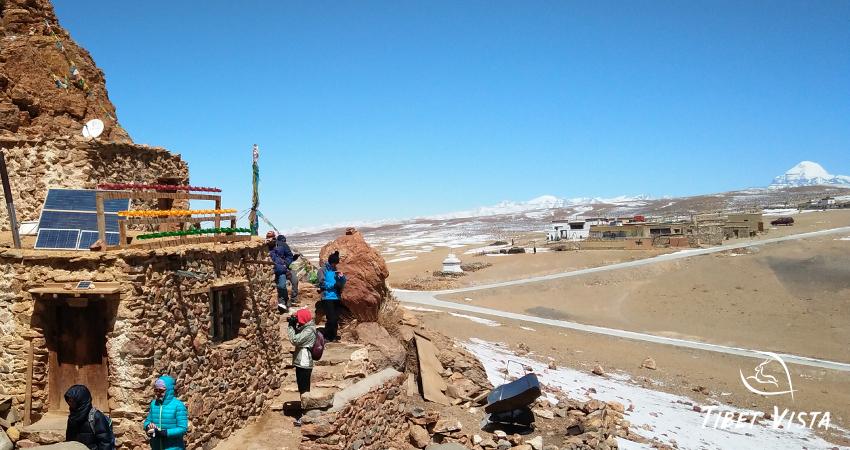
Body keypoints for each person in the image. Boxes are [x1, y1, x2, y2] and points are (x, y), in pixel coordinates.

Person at [286, 308, 317, 426]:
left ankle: (306, 416)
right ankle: (305, 413)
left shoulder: (309, 330)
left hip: (304, 363)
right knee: (302, 389)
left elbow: (295, 339)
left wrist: (290, 326)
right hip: (301, 363)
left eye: (298, 318)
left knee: (304, 390)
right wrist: (294, 323)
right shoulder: (306, 327)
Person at [143, 375, 188, 450]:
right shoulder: (154, 404)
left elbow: (183, 428)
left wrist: (163, 433)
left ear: (168, 390)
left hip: (174, 448)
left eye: (161, 390)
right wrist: (148, 427)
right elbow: (147, 421)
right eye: (156, 390)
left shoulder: (178, 405)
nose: (158, 393)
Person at [64, 385, 114, 450]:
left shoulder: (96, 417)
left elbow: (105, 443)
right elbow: (69, 440)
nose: (69, 403)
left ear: (81, 400)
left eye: (72, 401)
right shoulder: (72, 417)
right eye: (68, 401)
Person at [317, 250, 346, 342]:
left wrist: (342, 278)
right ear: (330, 262)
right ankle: (328, 336)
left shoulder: (335, 270)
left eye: (336, 263)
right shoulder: (322, 270)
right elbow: (321, 283)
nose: (335, 265)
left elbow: (342, 283)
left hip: (336, 297)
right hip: (327, 297)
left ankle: (333, 336)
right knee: (331, 318)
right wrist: (333, 285)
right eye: (334, 263)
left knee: (336, 318)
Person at [270, 234, 299, 312]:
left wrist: (287, 263)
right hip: (279, 270)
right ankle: (284, 302)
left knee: (295, 280)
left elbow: (289, 256)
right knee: (282, 286)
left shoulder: (283, 246)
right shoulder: (269, 248)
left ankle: (294, 299)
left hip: (286, 268)